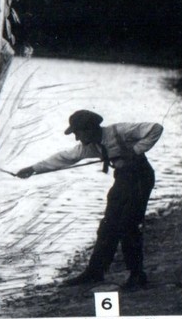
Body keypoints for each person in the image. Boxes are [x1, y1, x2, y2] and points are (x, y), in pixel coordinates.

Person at [16, 110, 163, 290]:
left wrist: (136, 150)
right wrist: (33, 168)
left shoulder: (121, 131)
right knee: (108, 225)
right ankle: (95, 272)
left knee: (128, 225)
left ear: (90, 129)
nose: (77, 138)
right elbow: (65, 158)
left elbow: (156, 128)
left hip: (141, 178)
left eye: (78, 133)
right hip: (123, 179)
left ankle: (137, 275)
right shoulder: (89, 146)